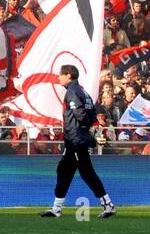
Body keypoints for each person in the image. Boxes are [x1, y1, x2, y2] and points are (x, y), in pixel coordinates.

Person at [40, 65, 117, 218]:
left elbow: (80, 115)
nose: (58, 77)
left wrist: (89, 132)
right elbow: (93, 115)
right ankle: (57, 207)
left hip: (75, 139)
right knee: (69, 171)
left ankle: (107, 205)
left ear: (69, 75)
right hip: (77, 139)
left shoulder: (72, 92)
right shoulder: (84, 92)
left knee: (80, 173)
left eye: (60, 75)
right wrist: (94, 133)